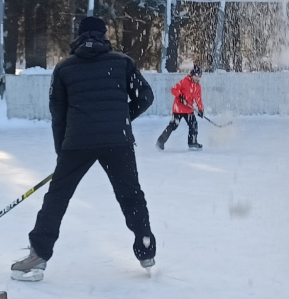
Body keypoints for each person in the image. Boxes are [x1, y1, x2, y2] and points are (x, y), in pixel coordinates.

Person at [11, 16, 156, 282]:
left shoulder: (65, 68)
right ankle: (145, 247)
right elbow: (145, 96)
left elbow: (59, 114)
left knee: (57, 197)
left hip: (77, 142)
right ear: (104, 34)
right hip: (117, 140)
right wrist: (118, 119)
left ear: (78, 35)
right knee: (130, 195)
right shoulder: (122, 62)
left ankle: (38, 256)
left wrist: (62, 151)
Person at [156, 64, 204, 151]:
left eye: (199, 76)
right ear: (192, 75)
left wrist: (201, 109)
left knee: (193, 124)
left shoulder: (198, 87)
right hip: (178, 108)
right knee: (173, 125)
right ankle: (160, 141)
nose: (197, 78)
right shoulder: (185, 82)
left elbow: (198, 99)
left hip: (188, 109)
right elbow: (173, 90)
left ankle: (192, 142)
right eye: (196, 75)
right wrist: (180, 96)